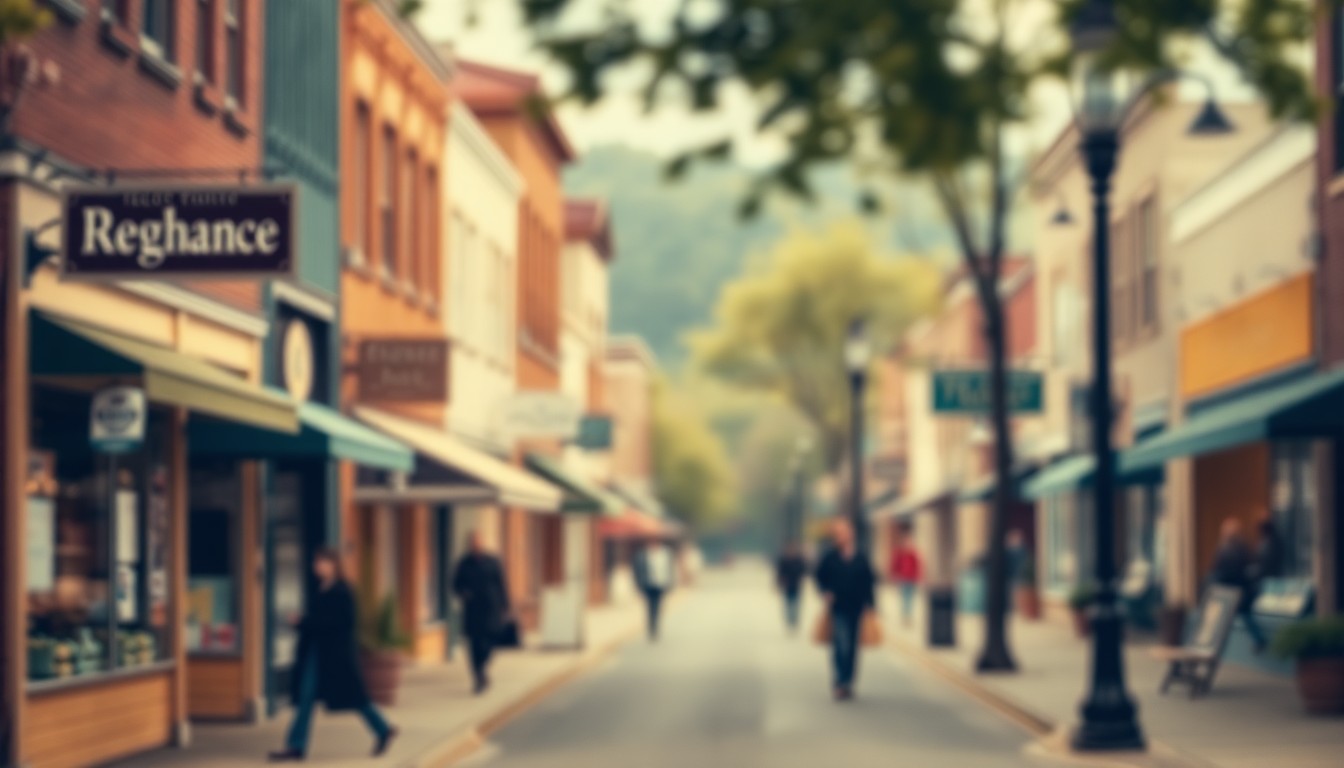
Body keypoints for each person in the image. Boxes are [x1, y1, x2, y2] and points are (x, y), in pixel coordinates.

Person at [269, 549, 397, 762]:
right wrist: (303, 623)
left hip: (336, 657)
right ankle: (295, 746)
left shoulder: (343, 591)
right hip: (317, 653)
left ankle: (383, 729)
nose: (318, 566)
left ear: (334, 565)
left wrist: (303, 622)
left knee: (355, 698)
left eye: (323, 562)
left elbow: (339, 623)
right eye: (316, 562)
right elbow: (320, 621)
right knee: (305, 698)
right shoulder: (320, 589)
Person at [815, 519, 876, 701]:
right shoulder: (830, 556)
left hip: (857, 606)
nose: (842, 536)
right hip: (838, 606)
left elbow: (869, 580)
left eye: (845, 532)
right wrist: (825, 592)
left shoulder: (860, 556)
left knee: (852, 646)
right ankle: (839, 682)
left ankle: (848, 681)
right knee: (841, 643)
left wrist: (871, 604)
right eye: (839, 533)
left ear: (851, 534)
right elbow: (819, 576)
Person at [452, 532, 511, 694]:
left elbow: (502, 584)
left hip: (491, 609)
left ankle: (483, 666)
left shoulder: (493, 561)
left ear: (482, 543)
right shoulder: (464, 563)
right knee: (474, 646)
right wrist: (464, 593)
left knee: (490, 641)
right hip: (472, 611)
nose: (475, 545)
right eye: (473, 542)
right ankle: (478, 676)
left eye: (478, 542)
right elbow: (455, 585)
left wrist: (506, 606)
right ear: (469, 545)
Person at [1208, 517, 1267, 653]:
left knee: (1231, 616)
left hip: (1231, 589)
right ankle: (1258, 640)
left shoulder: (1228, 547)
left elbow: (1221, 568)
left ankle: (1212, 645)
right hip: (1239, 589)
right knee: (1243, 615)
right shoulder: (1241, 546)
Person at [635, 539, 676, 641]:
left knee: (658, 606)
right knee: (649, 606)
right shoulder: (642, 555)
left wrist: (670, 583)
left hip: (660, 584)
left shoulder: (665, 554)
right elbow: (637, 570)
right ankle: (651, 627)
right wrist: (639, 585)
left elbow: (669, 569)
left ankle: (655, 626)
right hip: (648, 585)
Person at [888, 527, 921, 627]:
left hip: (911, 578)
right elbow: (894, 565)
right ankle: (905, 616)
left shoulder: (912, 553)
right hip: (902, 578)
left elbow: (917, 565)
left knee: (909, 598)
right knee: (904, 598)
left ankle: (908, 616)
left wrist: (918, 577)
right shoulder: (899, 553)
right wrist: (894, 576)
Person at [775, 543, 809, 633]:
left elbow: (803, 570)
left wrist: (802, 579)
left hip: (797, 585)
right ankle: (789, 619)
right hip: (787, 585)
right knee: (788, 603)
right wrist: (779, 583)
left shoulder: (799, 560)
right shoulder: (784, 560)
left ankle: (794, 619)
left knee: (796, 603)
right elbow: (780, 572)